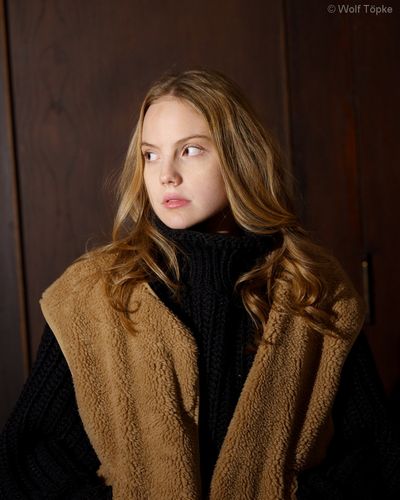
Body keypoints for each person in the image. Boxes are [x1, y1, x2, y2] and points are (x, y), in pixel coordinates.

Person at [0, 69, 399, 500]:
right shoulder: (90, 295)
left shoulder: (315, 291)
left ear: (239, 156)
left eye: (190, 150)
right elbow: (26, 455)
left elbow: (375, 455)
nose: (166, 175)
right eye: (151, 155)